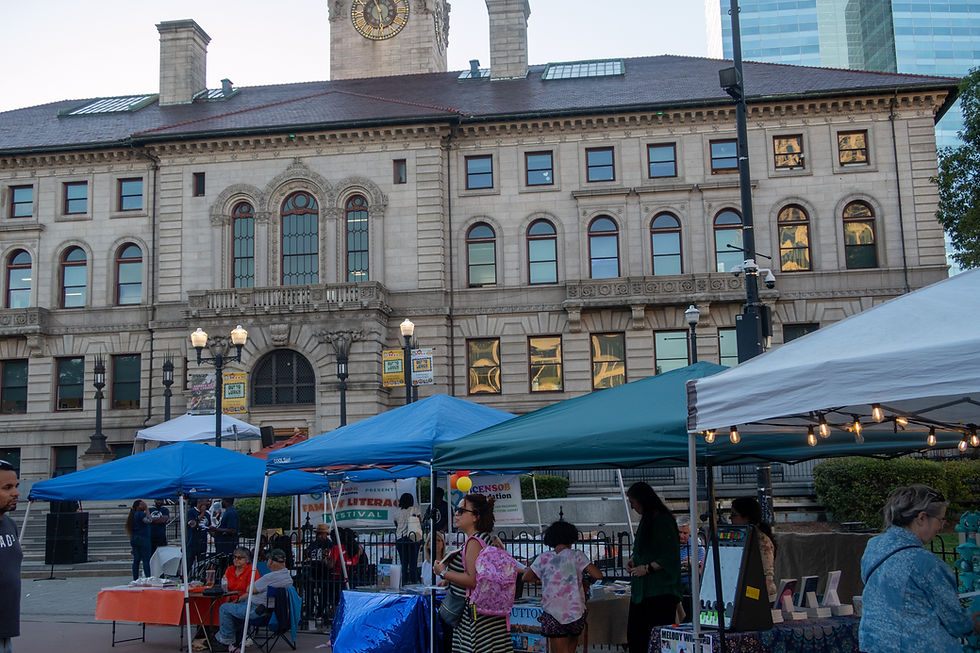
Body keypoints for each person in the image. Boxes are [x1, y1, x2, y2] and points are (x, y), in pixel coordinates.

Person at [860, 485, 980, 652]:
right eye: (941, 520)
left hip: (874, 644)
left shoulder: (873, 548)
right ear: (922, 518)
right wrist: (971, 622)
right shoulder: (926, 564)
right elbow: (956, 623)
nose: (941, 527)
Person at [432, 493, 513, 653]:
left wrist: (444, 573)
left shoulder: (474, 542)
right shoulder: (483, 539)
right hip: (486, 612)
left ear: (475, 516)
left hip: (474, 616)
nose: (456, 514)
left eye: (461, 510)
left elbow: (472, 580)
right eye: (457, 510)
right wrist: (451, 580)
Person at [522, 520, 602, 653]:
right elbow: (598, 575)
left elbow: (526, 577)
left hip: (553, 612)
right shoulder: (577, 555)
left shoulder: (543, 558)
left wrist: (545, 577)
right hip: (575, 612)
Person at [625, 482, 682, 653]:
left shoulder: (662, 520)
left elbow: (669, 555)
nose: (632, 507)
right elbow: (646, 548)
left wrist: (647, 568)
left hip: (659, 591)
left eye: (633, 502)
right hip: (643, 592)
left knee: (655, 638)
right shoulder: (647, 519)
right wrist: (634, 559)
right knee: (636, 638)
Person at [215, 548, 293, 653]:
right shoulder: (287, 576)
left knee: (224, 608)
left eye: (240, 557)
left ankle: (226, 642)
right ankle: (234, 639)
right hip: (271, 611)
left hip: (257, 611)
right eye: (235, 557)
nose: (236, 559)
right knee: (234, 607)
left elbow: (250, 589)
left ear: (270, 561)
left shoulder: (269, 577)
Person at [730, 496, 777, 600]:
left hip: (760, 594)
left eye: (734, 515)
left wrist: (757, 599)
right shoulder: (745, 537)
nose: (731, 519)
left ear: (746, 517)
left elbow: (767, 575)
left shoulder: (761, 540)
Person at [0, 459, 23, 653]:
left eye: (16, 486)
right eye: (7, 488)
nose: (16, 493)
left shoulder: (10, 525)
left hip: (6, 629)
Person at [677, 515, 705, 622]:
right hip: (674, 582)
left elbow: (702, 571)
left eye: (685, 533)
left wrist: (693, 564)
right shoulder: (669, 545)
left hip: (689, 584)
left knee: (691, 590)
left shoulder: (697, 548)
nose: (681, 536)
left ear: (690, 533)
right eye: (679, 532)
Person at [394, 492, 423, 584]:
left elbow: (396, 524)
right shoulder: (415, 510)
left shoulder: (397, 512)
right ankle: (414, 582)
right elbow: (419, 522)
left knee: (404, 563)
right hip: (413, 538)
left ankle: (404, 582)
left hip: (400, 538)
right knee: (413, 563)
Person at [125, 500, 152, 580]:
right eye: (142, 504)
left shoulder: (132, 515)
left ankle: (135, 578)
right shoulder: (141, 514)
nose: (144, 505)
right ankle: (148, 578)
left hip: (135, 538)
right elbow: (149, 521)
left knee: (136, 560)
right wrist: (147, 509)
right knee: (145, 560)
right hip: (143, 538)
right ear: (138, 506)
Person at [186, 498, 211, 570]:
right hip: (192, 543)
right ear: (200, 501)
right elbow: (192, 524)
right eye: (207, 501)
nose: (208, 503)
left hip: (202, 543)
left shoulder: (207, 514)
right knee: (189, 564)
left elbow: (209, 526)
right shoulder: (191, 512)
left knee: (201, 565)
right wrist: (202, 513)